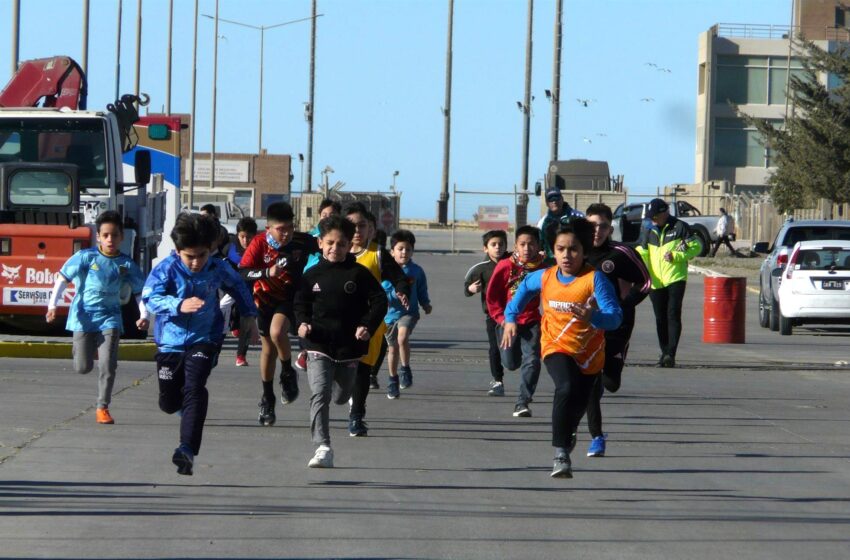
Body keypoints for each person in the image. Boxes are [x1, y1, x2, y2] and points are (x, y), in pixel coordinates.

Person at [501, 219, 622, 478]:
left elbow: (615, 316)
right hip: (555, 345)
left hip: (589, 355)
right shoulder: (544, 276)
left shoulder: (594, 279)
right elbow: (520, 293)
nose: (567, 255)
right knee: (565, 386)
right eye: (561, 249)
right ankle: (560, 455)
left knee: (577, 404)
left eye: (574, 249)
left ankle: (568, 435)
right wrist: (510, 318)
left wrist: (593, 317)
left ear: (585, 250)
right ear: (552, 250)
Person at [142, 213, 257, 475]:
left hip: (205, 339)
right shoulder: (166, 268)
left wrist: (250, 317)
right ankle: (182, 411)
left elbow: (239, 287)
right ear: (177, 251)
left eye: (201, 255)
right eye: (189, 256)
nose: (196, 262)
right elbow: (150, 298)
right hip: (170, 343)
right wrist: (178, 305)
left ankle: (186, 449)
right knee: (169, 403)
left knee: (195, 387)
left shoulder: (218, 267)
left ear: (210, 250)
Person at [294, 216, 388, 468]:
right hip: (318, 344)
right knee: (319, 394)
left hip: (349, 347)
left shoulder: (359, 274)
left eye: (342, 244)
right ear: (320, 243)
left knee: (340, 395)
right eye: (330, 243)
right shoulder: (311, 275)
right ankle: (323, 446)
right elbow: (300, 304)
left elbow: (380, 301)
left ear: (349, 246)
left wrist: (367, 325)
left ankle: (344, 395)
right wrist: (302, 323)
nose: (335, 248)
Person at [45, 210, 149, 425]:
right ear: (99, 236)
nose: (110, 239)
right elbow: (63, 279)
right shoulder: (86, 257)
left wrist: (144, 314)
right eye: (106, 235)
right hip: (83, 317)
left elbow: (140, 292)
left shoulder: (126, 264)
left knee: (108, 366)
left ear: (122, 237)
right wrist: (53, 305)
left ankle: (103, 407)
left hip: (110, 318)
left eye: (115, 235)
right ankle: (86, 348)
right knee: (83, 367)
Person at [240, 202, 318, 426]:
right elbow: (243, 272)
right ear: (268, 228)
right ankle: (268, 397)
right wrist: (266, 272)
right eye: (281, 229)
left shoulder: (303, 242)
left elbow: (327, 250)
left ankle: (287, 373)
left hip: (290, 300)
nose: (286, 234)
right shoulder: (259, 243)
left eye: (290, 228)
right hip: (264, 300)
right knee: (267, 349)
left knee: (277, 332)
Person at [582, 203, 651, 457]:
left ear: (610, 228)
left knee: (610, 383)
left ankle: (613, 363)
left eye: (602, 226)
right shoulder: (577, 252)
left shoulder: (621, 253)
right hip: (587, 326)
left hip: (618, 325)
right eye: (592, 226)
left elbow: (645, 283)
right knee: (590, 383)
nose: (597, 231)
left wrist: (622, 306)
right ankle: (596, 437)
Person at [345, 202, 410, 436]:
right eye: (352, 226)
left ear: (371, 229)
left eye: (362, 226)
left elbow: (399, 277)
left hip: (369, 322)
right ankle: (345, 394)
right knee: (340, 375)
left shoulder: (378, 254)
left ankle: (357, 417)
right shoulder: (333, 252)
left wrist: (402, 290)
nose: (357, 231)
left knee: (363, 370)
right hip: (339, 321)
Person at [485, 225, 547, 418]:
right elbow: (492, 297)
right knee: (511, 363)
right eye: (522, 244)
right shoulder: (506, 266)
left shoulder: (545, 267)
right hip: (507, 323)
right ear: (515, 246)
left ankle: (523, 401)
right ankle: (510, 357)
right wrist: (502, 319)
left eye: (531, 244)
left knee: (532, 360)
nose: (527, 248)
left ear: (538, 246)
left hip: (531, 321)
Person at [637, 198, 701, 368]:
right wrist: (639, 270)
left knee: (672, 313)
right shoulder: (648, 228)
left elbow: (696, 246)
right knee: (660, 318)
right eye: (651, 216)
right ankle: (664, 351)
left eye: (655, 216)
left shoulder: (679, 227)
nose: (653, 219)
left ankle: (670, 354)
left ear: (665, 212)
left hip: (675, 277)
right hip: (655, 280)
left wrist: (676, 256)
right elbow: (642, 251)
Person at [382, 229, 432, 399]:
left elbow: (421, 289)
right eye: (400, 248)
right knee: (392, 348)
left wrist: (425, 303)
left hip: (409, 313)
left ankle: (405, 368)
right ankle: (392, 379)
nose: (404, 252)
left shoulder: (416, 271)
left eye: (408, 249)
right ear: (392, 251)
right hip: (389, 316)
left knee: (402, 337)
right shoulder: (385, 271)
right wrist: (391, 296)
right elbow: (381, 291)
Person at [463, 230, 509, 396]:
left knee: (518, 350)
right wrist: (471, 289)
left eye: (501, 244)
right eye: (493, 245)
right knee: (495, 349)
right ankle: (498, 381)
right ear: (485, 248)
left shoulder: (513, 261)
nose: (498, 248)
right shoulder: (480, 269)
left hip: (514, 314)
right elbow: (466, 288)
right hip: (493, 316)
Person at [227, 217, 259, 367]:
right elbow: (233, 257)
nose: (245, 240)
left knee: (247, 318)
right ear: (238, 235)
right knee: (222, 307)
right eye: (242, 236)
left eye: (249, 237)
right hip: (235, 286)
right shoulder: (233, 245)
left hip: (255, 287)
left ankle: (241, 355)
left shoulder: (260, 246)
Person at [537, 186, 584, 260]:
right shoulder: (543, 222)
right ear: (546, 203)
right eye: (551, 199)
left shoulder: (578, 216)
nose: (554, 201)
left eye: (557, 198)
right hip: (551, 265)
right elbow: (540, 245)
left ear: (562, 199)